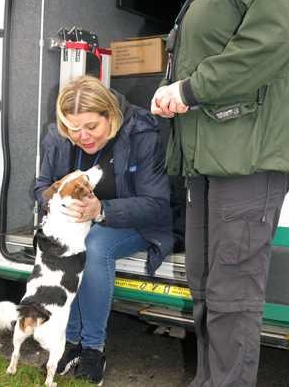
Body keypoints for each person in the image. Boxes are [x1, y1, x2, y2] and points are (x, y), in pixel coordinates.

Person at [145, 0, 289, 386]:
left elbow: (271, 38)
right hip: (210, 161)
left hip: (248, 156)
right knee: (206, 289)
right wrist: (175, 91)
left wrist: (190, 89)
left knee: (232, 296)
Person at [34, 74, 184, 386]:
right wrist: (55, 205)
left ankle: (92, 348)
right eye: (73, 129)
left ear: (110, 115)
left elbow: (157, 203)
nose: (83, 136)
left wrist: (102, 210)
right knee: (68, 244)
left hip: (140, 222)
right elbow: (41, 188)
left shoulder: (142, 134)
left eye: (92, 127)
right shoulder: (60, 138)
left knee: (95, 245)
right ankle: (70, 342)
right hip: (84, 221)